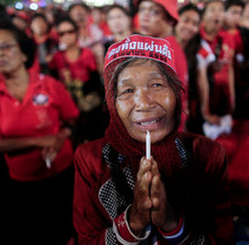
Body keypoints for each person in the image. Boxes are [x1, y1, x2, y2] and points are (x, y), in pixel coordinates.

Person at [73, 34, 234, 244]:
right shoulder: (90, 159)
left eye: (157, 85)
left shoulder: (207, 154)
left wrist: (172, 224)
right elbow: (86, 240)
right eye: (127, 90)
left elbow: (222, 239)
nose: (144, 103)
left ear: (177, 94)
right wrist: (134, 221)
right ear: (113, 104)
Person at [0, 20, 79, 244]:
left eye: (5, 46)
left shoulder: (49, 85)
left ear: (24, 53)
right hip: (23, 181)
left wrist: (58, 138)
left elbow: (72, 119)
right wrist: (39, 141)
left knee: (69, 226)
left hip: (63, 171)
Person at [49, 17, 107, 143]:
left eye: (70, 31)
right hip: (68, 108)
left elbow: (95, 81)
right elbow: (54, 82)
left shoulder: (87, 54)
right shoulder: (57, 57)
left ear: (76, 32)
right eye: (62, 33)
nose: (67, 36)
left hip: (89, 106)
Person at [135, 0, 188, 130]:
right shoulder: (160, 46)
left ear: (170, 20)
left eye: (154, 11)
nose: (145, 16)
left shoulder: (165, 52)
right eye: (142, 9)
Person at [175, 3, 202, 134]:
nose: (190, 27)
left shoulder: (197, 50)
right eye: (186, 20)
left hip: (189, 114)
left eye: (195, 23)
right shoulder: (163, 47)